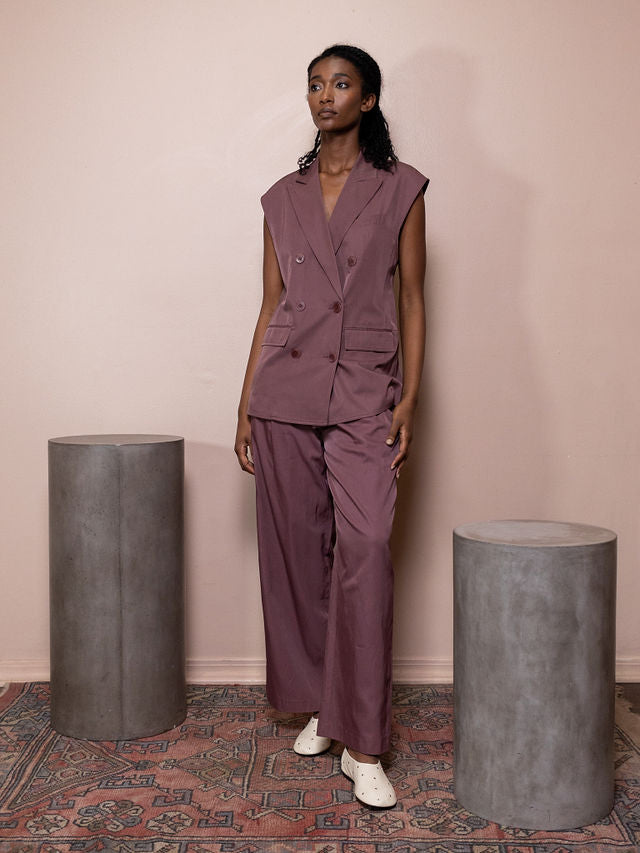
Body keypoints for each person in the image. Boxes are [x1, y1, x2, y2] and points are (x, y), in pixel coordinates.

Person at [234, 43, 428, 808]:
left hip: (365, 392)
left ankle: (366, 741)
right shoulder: (281, 195)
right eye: (315, 84)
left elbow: (413, 296)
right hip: (284, 392)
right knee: (297, 555)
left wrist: (409, 396)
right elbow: (270, 303)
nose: (325, 96)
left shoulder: (401, 188)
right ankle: (321, 701)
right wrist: (248, 396)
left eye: (341, 84)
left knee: (368, 547)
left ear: (368, 99)